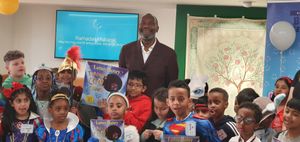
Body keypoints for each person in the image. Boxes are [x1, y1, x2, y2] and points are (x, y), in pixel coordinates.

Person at [119, 13, 179, 96]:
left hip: (157, 106)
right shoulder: (126, 50)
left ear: (157, 28)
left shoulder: (169, 54)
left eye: (151, 23)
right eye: (143, 23)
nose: (146, 26)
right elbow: (121, 79)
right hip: (131, 106)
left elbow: (172, 85)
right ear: (139, 27)